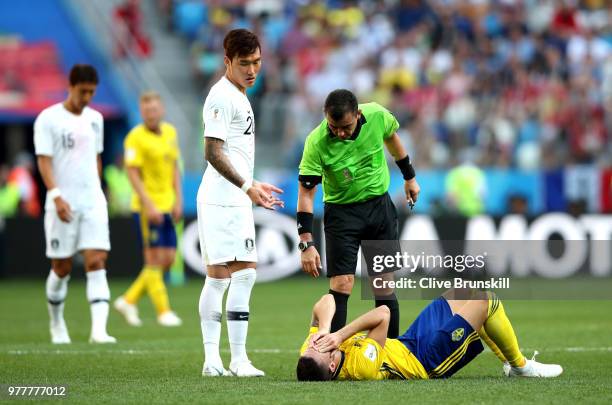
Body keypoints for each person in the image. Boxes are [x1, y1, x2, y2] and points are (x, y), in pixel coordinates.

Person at [297, 89, 420, 339]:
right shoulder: (316, 141)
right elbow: (307, 193)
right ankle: (332, 356)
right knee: (342, 284)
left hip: (379, 209)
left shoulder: (377, 115)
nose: (340, 133)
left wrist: (409, 178)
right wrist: (306, 242)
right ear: (325, 117)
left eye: (346, 127)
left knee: (383, 285)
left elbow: (392, 139)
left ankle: (388, 356)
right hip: (341, 215)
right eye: (334, 126)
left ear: (358, 114)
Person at [197, 28, 284, 377]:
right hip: (221, 200)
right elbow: (212, 151)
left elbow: (232, 151)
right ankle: (216, 359)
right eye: (245, 63)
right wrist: (247, 186)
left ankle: (233, 360)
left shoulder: (240, 94)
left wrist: (252, 181)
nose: (252, 70)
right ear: (227, 62)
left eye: (258, 62)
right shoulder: (221, 96)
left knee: (240, 275)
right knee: (223, 277)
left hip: (236, 197)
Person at [296, 291, 563, 381]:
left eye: (312, 344)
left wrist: (322, 330)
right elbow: (383, 314)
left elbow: (327, 299)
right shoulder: (361, 368)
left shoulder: (311, 354)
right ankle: (520, 366)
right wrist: (339, 333)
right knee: (484, 302)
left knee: (463, 290)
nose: (317, 343)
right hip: (425, 361)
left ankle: (508, 363)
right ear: (332, 365)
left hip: (408, 344)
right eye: (320, 346)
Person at [34, 64, 116, 344]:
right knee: (62, 267)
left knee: (96, 260)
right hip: (62, 202)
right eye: (83, 91)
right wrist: (55, 194)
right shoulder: (48, 119)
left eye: (92, 92)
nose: (87, 97)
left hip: (92, 201)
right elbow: (44, 161)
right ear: (70, 87)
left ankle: (99, 331)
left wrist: (98, 190)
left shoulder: (95, 119)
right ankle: (57, 324)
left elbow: (96, 157)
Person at [114, 91, 183, 327]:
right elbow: (132, 174)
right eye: (146, 111)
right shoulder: (135, 137)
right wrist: (149, 205)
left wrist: (178, 199)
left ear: (161, 110)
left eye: (154, 109)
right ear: (141, 113)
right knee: (153, 260)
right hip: (147, 207)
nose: (151, 114)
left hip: (168, 203)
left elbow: (174, 167)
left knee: (168, 259)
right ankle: (164, 311)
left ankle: (128, 299)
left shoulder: (170, 132)